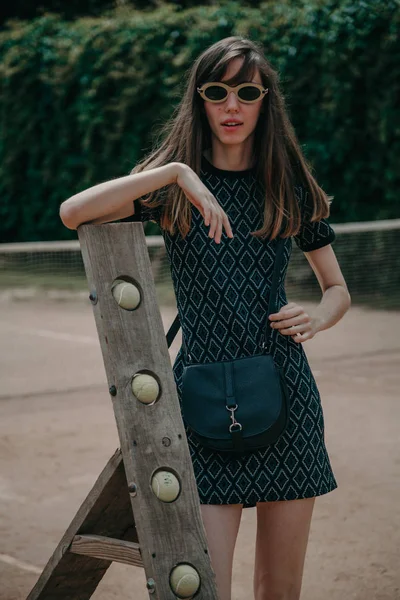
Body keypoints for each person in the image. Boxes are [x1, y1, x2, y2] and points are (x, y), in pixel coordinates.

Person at [60, 36, 351, 600]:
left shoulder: (287, 184)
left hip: (288, 395)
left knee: (280, 590)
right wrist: (177, 174)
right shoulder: (171, 189)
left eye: (247, 91)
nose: (232, 105)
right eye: (217, 91)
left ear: (266, 100)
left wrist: (319, 317)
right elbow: (74, 212)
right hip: (197, 398)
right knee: (199, 587)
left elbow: (337, 287)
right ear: (200, 99)